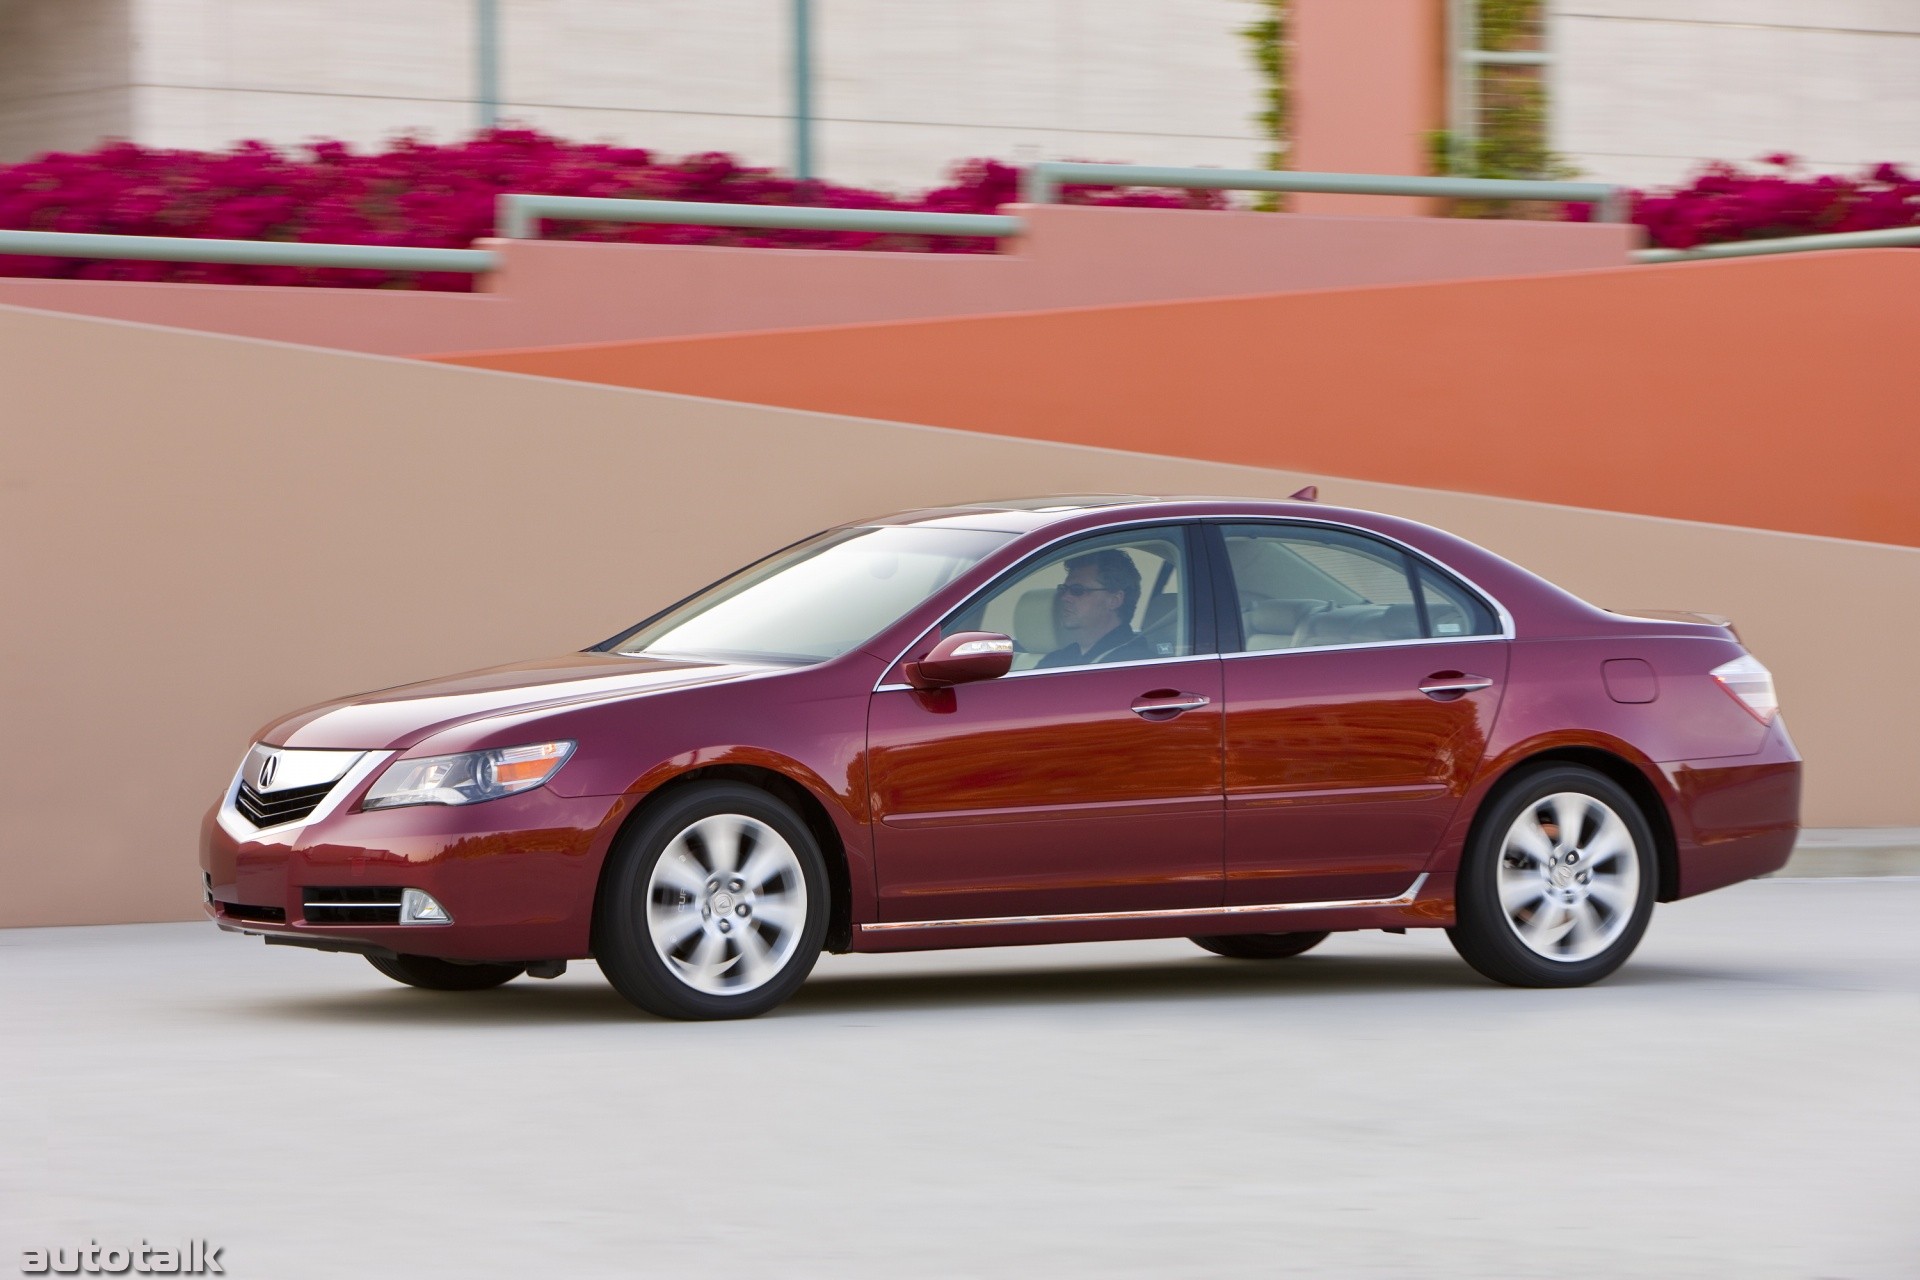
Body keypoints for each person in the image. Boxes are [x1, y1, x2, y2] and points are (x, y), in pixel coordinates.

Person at [1036, 549, 1154, 667]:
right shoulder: (1057, 660)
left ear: (1114, 600)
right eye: (1063, 589)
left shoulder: (1134, 664)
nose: (1065, 597)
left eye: (1077, 590)